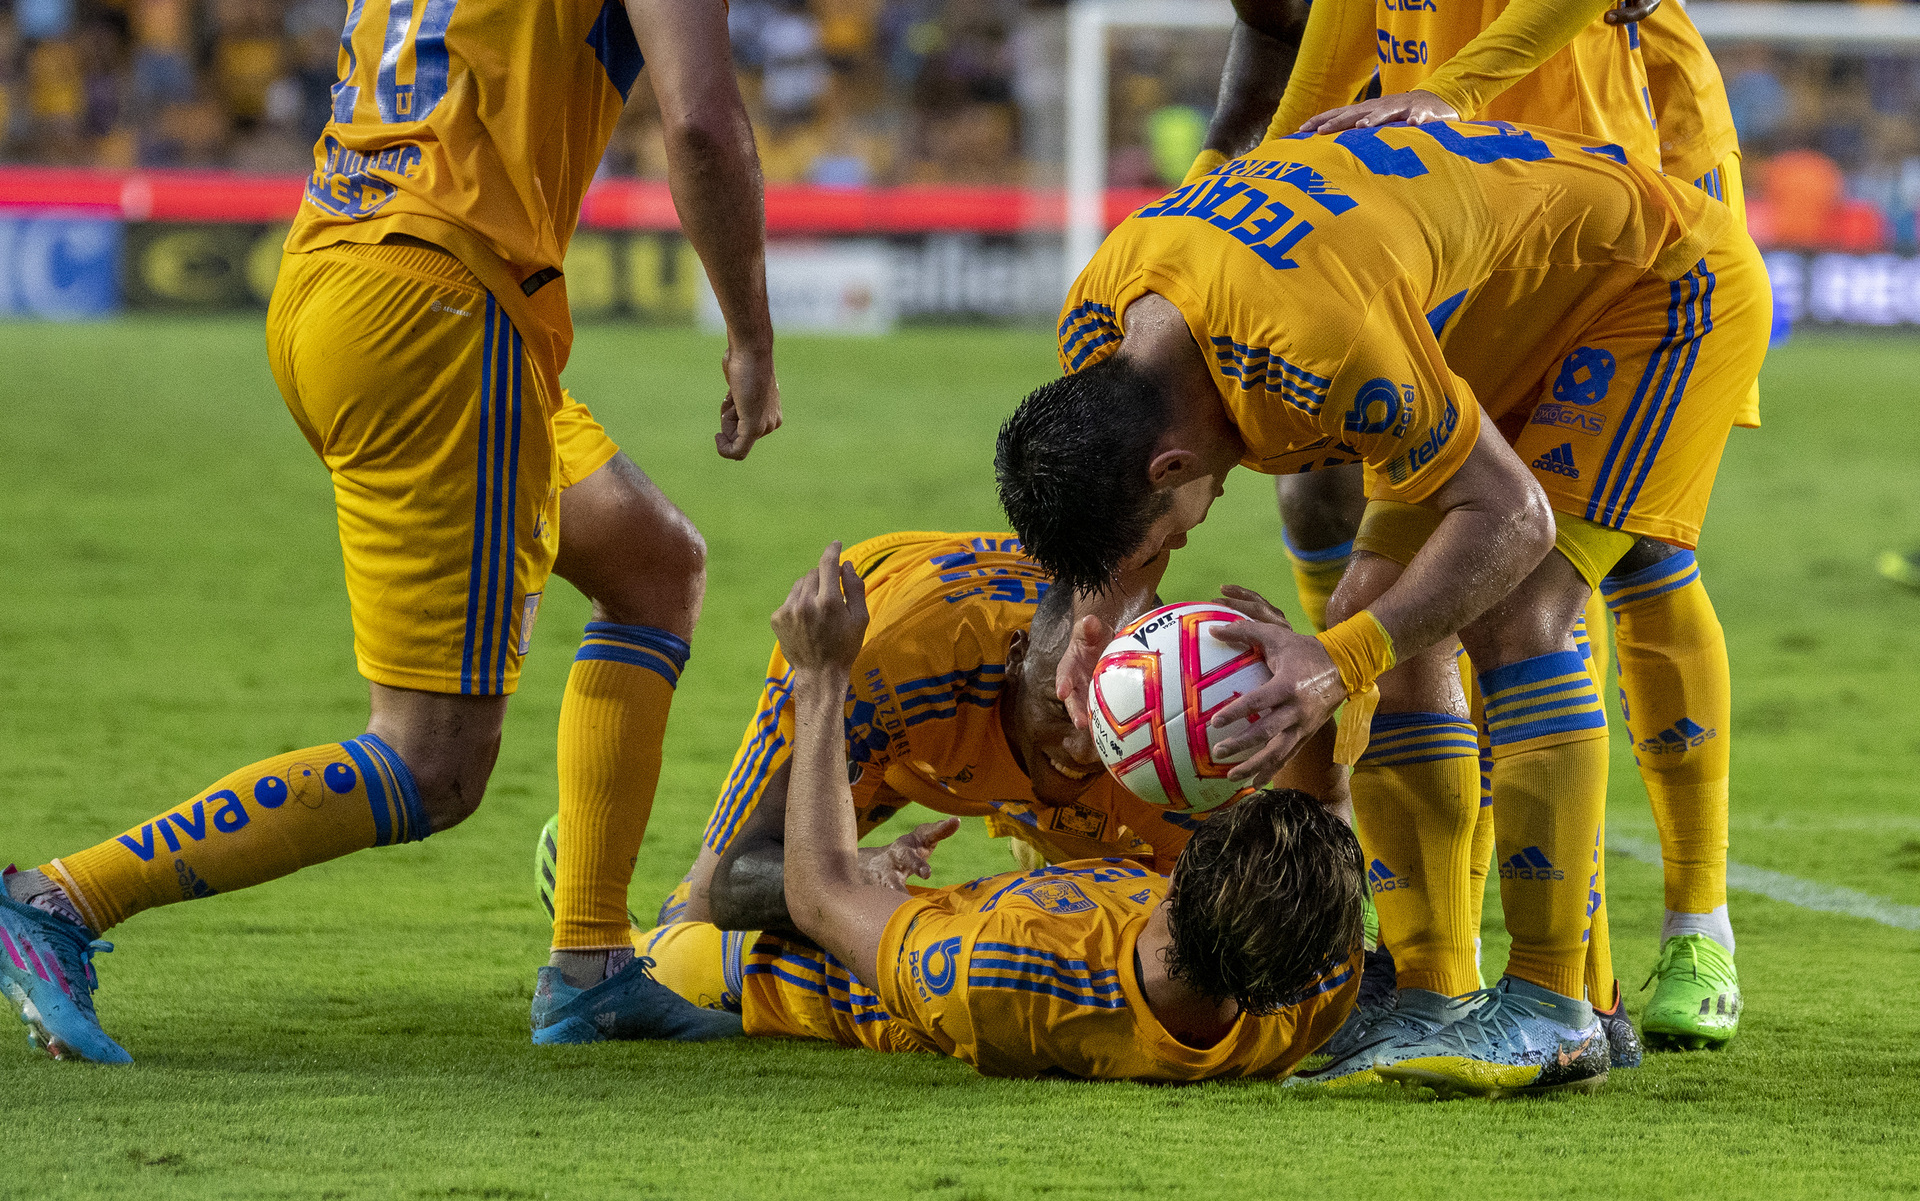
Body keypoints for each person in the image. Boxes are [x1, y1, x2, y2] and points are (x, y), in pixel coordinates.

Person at [0, 0, 780, 1063]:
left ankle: (592, 964)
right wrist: (751, 337)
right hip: (441, 311)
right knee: (433, 763)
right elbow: (701, 123)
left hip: (340, 267)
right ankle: (57, 900)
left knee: (651, 563)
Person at [996, 118, 1768, 1096]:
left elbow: (1515, 519)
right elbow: (1127, 512)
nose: (1179, 545)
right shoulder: (1102, 319)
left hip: (1655, 285)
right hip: (1505, 309)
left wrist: (1333, 661)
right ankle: (1435, 992)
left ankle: (1553, 1009)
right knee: (1378, 604)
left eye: (1171, 536)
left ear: (1173, 464)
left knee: (1512, 610)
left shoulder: (1316, 346)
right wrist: (1096, 626)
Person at [1219, 0, 1752, 1054]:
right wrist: (1220, 208)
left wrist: (1453, 89)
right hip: (1459, 232)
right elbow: (1310, 73)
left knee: (1612, 564)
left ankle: (1687, 931)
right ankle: (1445, 972)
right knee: (1434, 563)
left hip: (1618, 213)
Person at [551, 543, 1365, 1083]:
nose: (1086, 753)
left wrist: (823, 677)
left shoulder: (1000, 965)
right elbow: (1324, 807)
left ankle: (600, 918)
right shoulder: (1313, 983)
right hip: (1014, 791)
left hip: (810, 972)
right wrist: (1306, 687)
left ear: (1178, 880)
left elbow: (820, 895)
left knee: (690, 920)